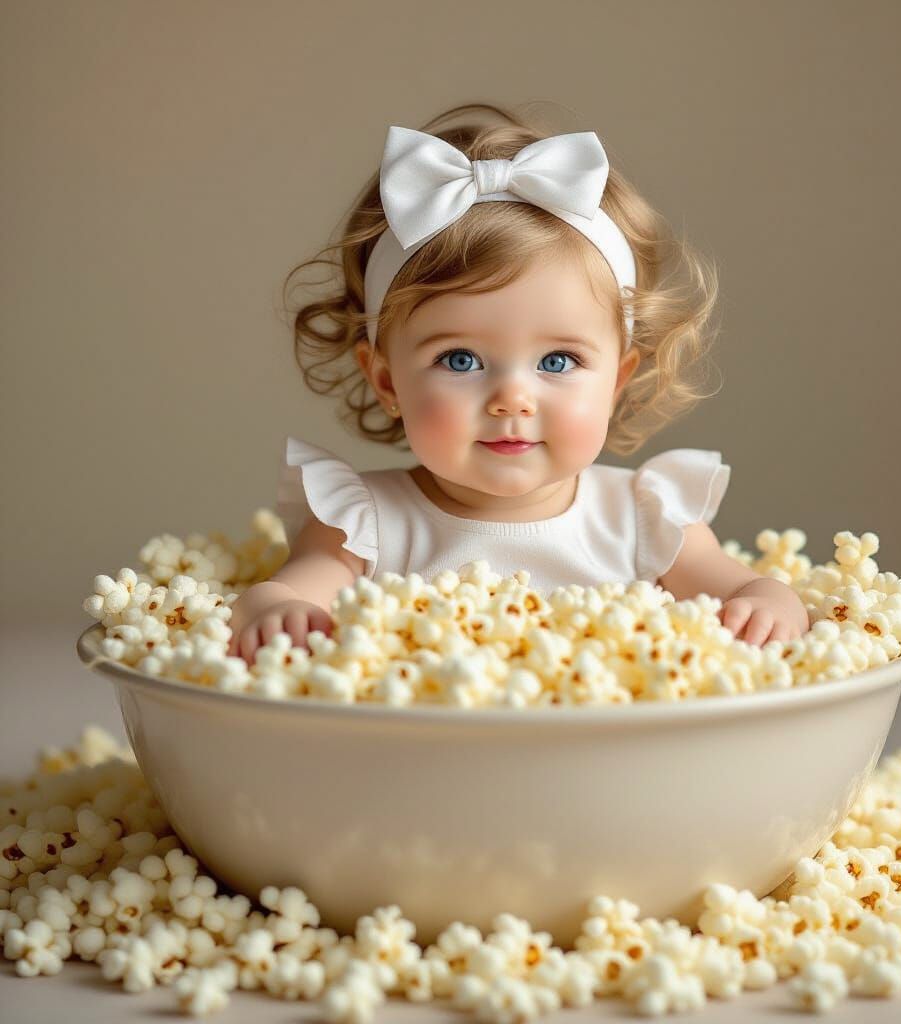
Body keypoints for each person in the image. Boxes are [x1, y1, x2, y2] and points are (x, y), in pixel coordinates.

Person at [227, 102, 808, 666]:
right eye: (460, 359)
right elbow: (285, 595)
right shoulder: (365, 524)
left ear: (617, 380)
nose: (512, 398)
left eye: (557, 362)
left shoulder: (641, 516)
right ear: (386, 381)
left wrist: (767, 605)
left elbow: (751, 592)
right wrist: (276, 612)